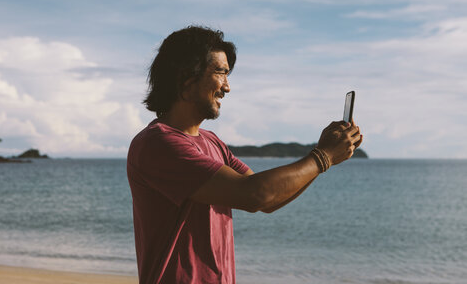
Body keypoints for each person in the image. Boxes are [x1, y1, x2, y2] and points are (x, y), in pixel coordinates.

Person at [127, 26, 363, 284]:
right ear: (186, 78)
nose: (227, 87)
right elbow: (254, 194)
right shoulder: (157, 144)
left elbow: (269, 200)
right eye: (220, 73)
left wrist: (324, 157)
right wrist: (322, 157)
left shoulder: (211, 141)